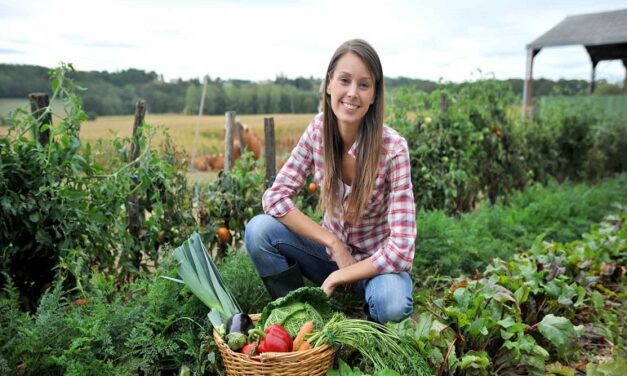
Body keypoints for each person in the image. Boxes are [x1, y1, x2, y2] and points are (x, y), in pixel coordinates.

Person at [244, 39, 415, 324]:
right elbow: (275, 198)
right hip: (327, 257)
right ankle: (303, 316)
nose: (352, 93)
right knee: (259, 230)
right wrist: (332, 242)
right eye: (344, 80)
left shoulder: (393, 148)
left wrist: (342, 274)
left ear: (374, 94)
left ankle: (366, 327)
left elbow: (401, 249)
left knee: (392, 303)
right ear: (329, 84)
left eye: (364, 84)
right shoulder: (318, 131)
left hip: (376, 268)